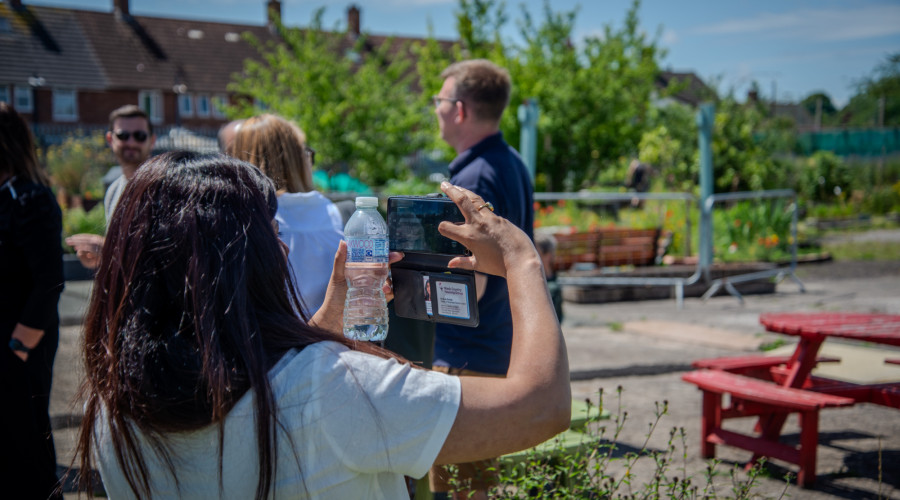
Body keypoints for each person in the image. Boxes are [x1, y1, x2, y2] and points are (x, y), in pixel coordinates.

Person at [71, 151, 570, 499]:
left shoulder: (112, 404)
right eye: (272, 234)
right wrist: (522, 260)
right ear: (240, 258)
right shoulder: (335, 392)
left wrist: (329, 318)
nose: (283, 249)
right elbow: (538, 407)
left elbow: (250, 374)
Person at [429, 59, 535, 499]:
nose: (434, 109)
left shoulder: (470, 179)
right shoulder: (510, 163)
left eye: (439, 100)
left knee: (461, 490)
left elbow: (473, 284)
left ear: (460, 109)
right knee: (475, 487)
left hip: (465, 358)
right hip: (492, 348)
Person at [0, 102, 66, 499]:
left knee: (25, 448)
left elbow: (48, 283)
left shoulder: (31, 199)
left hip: (19, 348)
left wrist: (16, 350)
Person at [227, 113, 344, 317]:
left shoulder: (243, 220)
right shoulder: (332, 212)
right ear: (299, 159)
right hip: (333, 338)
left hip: (273, 342)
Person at [65, 104, 156, 269]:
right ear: (109, 139)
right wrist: (101, 259)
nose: (131, 142)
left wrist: (108, 248)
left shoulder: (163, 185)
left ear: (152, 140)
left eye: (140, 136)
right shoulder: (114, 189)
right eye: (123, 135)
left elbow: (166, 251)